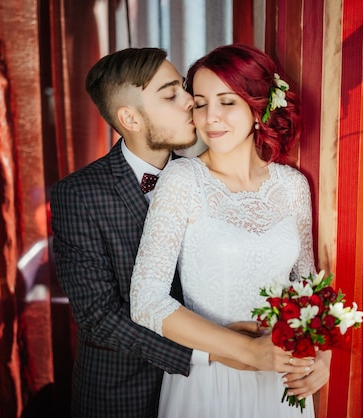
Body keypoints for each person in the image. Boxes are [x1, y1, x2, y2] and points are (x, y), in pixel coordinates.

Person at [50, 47, 293, 418]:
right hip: (124, 391)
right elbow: (99, 316)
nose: (189, 104)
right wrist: (215, 351)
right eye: (171, 95)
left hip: (217, 390)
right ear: (130, 117)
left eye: (184, 90)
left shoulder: (200, 178)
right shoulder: (79, 194)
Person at [130, 43, 331, 418]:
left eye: (227, 102)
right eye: (201, 103)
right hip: (210, 383)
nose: (211, 118)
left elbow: (307, 287)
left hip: (281, 383)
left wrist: (322, 357)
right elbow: (146, 301)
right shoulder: (182, 179)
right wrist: (247, 351)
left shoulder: (292, 185)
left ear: (259, 107)